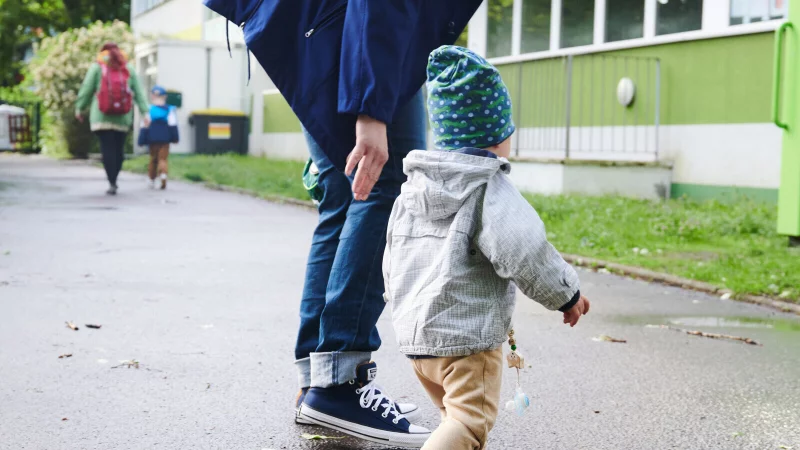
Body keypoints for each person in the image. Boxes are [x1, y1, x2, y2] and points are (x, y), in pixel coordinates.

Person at [202, 1, 484, 447]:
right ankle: (338, 381)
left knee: (343, 194)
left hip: (323, 28)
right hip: (349, 36)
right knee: (383, 183)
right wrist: (370, 109)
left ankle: (316, 380)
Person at [383, 46, 591, 450]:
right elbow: (525, 250)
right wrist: (567, 295)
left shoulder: (415, 187)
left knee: (451, 420)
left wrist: (399, 304)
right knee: (468, 425)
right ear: (499, 134)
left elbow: (393, 255)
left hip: (416, 339)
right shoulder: (488, 189)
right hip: (466, 343)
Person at [75, 42, 149, 195]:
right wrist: (145, 112)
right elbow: (139, 92)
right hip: (123, 117)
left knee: (107, 149)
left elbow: (87, 89)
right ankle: (115, 177)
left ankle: (112, 182)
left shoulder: (97, 67)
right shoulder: (128, 68)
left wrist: (80, 108)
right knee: (118, 150)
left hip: (101, 117)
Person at [138, 85, 179, 190]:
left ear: (152, 97)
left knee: (153, 159)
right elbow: (173, 125)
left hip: (152, 139)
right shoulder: (169, 110)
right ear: (164, 97)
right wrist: (175, 138)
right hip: (165, 139)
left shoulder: (149, 110)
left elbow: (144, 125)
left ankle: (151, 180)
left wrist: (141, 139)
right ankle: (163, 174)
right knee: (163, 158)